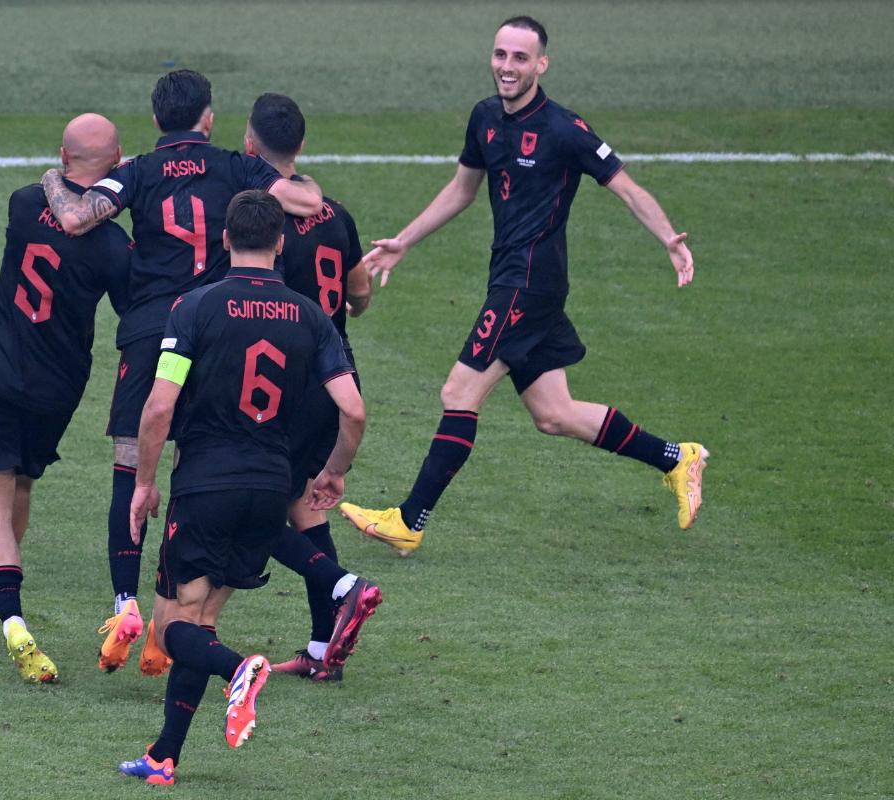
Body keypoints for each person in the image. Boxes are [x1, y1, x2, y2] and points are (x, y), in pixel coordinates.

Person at [340, 16, 709, 556]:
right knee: (553, 414)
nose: (507, 67)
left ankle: (409, 521)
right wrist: (405, 240)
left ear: (541, 64)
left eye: (519, 58)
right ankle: (679, 458)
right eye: (500, 55)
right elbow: (462, 189)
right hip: (514, 279)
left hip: (529, 285)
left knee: (458, 393)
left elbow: (626, 187)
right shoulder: (485, 118)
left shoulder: (564, 129)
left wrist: (667, 239)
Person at [39, 70, 324, 673]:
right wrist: (271, 185)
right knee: (195, 464)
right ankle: (182, 620)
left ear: (156, 121)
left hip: (149, 332)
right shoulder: (233, 165)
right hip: (214, 327)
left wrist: (51, 178)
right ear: (209, 118)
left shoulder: (139, 170)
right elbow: (306, 201)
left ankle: (126, 605)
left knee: (129, 459)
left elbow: (76, 217)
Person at [117, 191, 365, 785]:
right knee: (198, 620)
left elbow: (158, 408)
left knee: (171, 628)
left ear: (226, 239)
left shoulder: (194, 309)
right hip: (270, 488)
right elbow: (353, 411)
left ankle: (238, 670)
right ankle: (164, 756)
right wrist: (333, 470)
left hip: (205, 487)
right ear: (280, 244)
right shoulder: (309, 315)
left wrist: (144, 484)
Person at [0, 114, 131, 683]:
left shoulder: (25, 203)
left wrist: (57, 174)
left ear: (62, 155)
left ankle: (14, 625)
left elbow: (53, 188)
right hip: (56, 389)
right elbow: (130, 308)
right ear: (119, 163)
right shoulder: (115, 248)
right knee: (20, 486)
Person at [243, 93, 381, 682]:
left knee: (249, 512)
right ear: (300, 147)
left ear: (250, 144)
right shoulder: (339, 214)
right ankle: (324, 648)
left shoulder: (259, 221)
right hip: (337, 375)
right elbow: (360, 295)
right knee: (304, 506)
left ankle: (345, 587)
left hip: (285, 388)